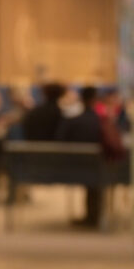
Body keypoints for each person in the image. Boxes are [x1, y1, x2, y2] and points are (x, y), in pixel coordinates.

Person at [56, 85, 110, 227]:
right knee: (96, 171)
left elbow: (60, 141)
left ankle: (91, 216)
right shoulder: (101, 122)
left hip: (74, 169)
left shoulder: (72, 121)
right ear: (95, 100)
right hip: (98, 169)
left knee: (91, 172)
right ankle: (94, 215)